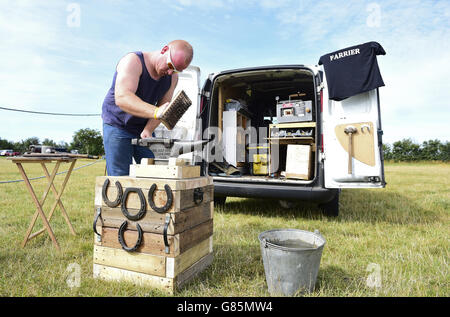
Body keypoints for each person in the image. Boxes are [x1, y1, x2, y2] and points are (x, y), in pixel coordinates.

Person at [101, 40, 194, 176]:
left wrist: (148, 130)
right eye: (170, 65)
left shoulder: (173, 77)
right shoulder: (133, 61)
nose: (169, 72)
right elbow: (122, 98)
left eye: (175, 70)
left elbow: (163, 107)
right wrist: (156, 112)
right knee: (120, 177)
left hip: (142, 127)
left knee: (155, 173)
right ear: (164, 50)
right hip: (118, 124)